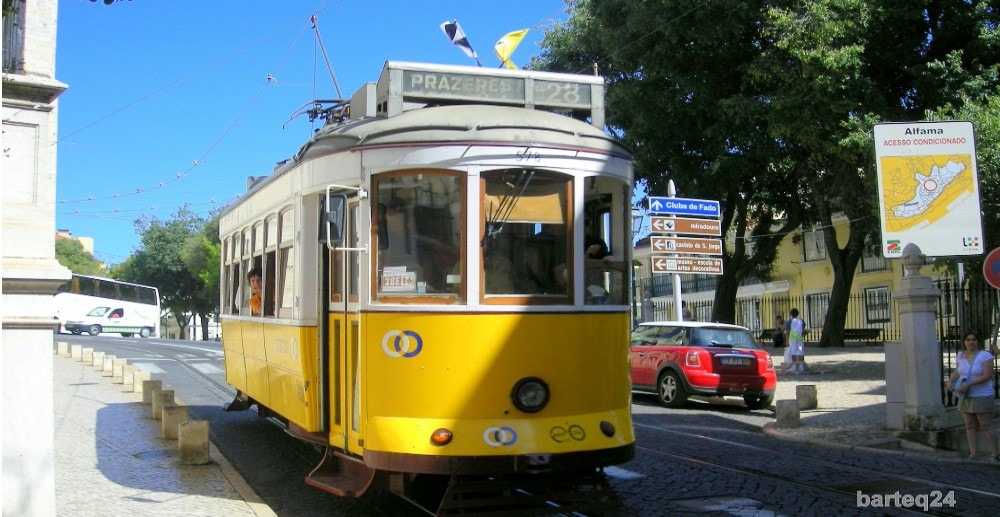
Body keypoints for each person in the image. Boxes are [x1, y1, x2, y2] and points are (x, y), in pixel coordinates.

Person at [945, 331, 998, 461]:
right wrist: (950, 381)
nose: (971, 342)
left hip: (982, 394)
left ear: (977, 341)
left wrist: (969, 384)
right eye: (968, 339)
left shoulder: (985, 355)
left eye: (973, 339)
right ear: (964, 342)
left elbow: (987, 375)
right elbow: (957, 372)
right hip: (965, 395)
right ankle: (973, 454)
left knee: (985, 424)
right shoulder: (961, 356)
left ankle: (995, 454)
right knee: (969, 424)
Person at [784, 308, 806, 373]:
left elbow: (787, 331)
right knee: (800, 351)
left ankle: (794, 367)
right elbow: (803, 327)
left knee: (793, 351)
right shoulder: (801, 320)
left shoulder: (790, 321)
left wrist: (786, 340)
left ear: (791, 314)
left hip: (792, 337)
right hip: (799, 337)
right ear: (797, 314)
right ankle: (801, 366)